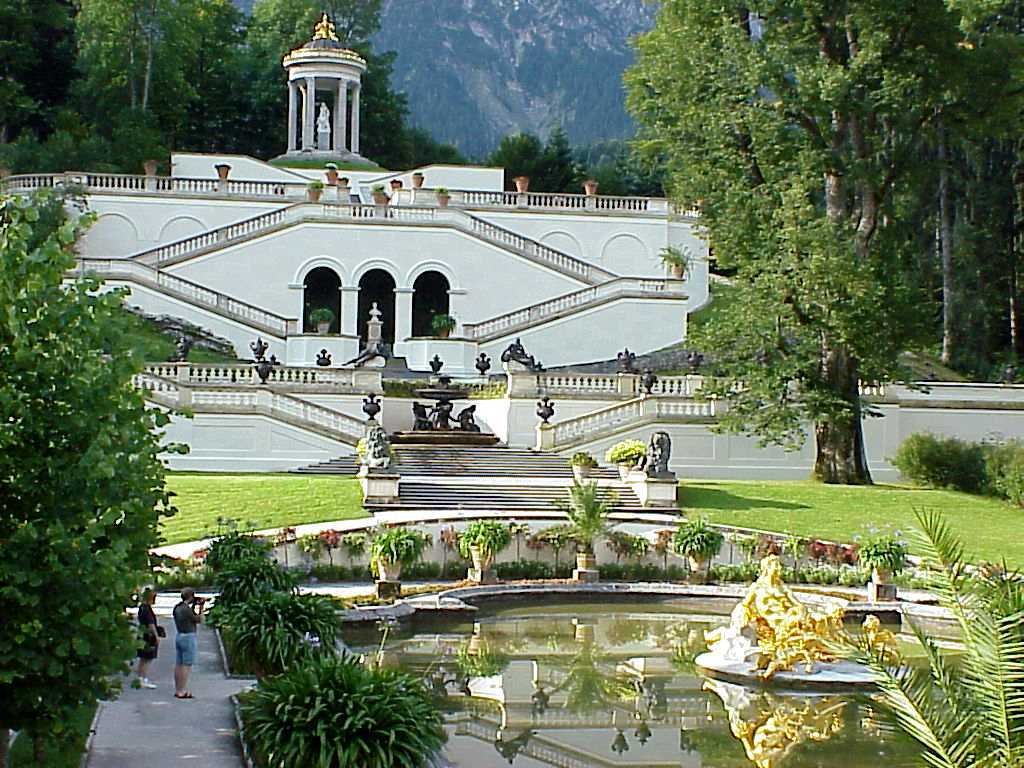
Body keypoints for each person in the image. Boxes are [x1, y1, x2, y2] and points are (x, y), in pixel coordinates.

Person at [173, 587, 204, 699]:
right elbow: (199, 619)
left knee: (179, 664)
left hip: (179, 635)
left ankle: (178, 689)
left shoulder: (177, 607)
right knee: (186, 665)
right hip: (189, 636)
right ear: (191, 597)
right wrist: (201, 607)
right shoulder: (187, 609)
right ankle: (182, 690)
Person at [135, 589, 160, 689]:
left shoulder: (142, 608)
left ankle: (140, 678)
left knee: (142, 658)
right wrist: (156, 636)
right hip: (149, 636)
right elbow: (151, 624)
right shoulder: (147, 609)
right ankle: (143, 678)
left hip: (142, 634)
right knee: (147, 658)